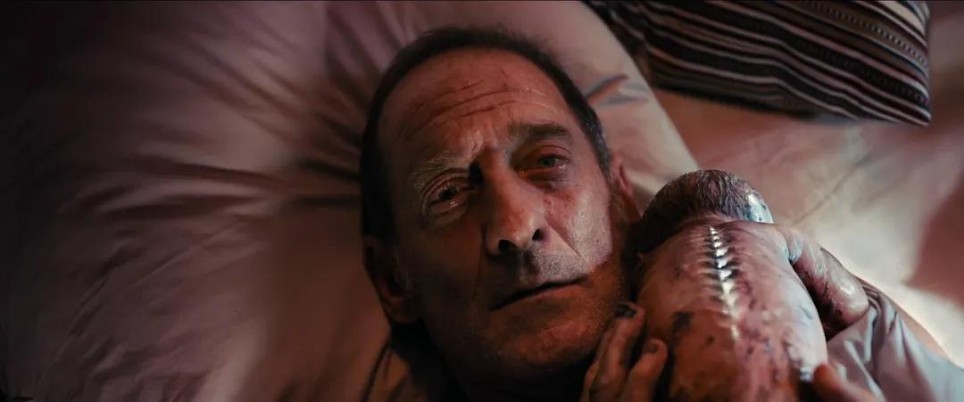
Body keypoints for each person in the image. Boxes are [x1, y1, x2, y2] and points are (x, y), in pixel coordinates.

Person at [360, 26, 962, 402]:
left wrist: (878, 328)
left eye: (546, 162)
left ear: (622, 200)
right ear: (393, 280)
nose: (516, 227)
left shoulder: (856, 350)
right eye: (448, 194)